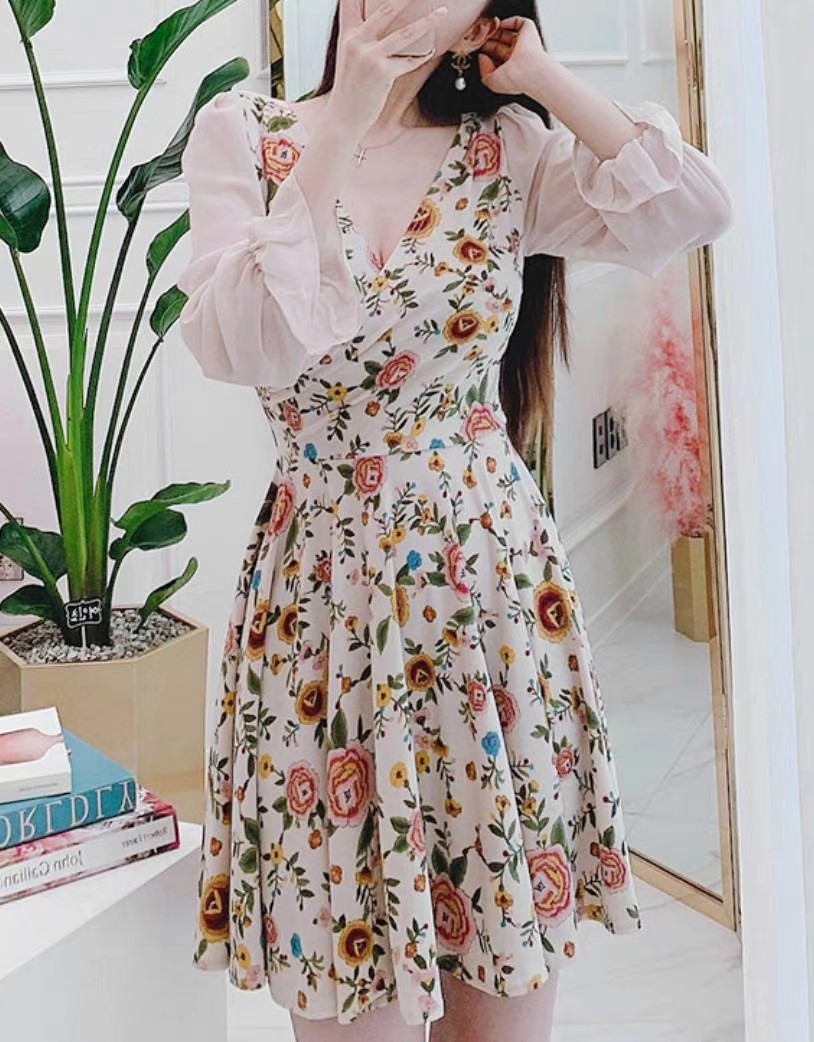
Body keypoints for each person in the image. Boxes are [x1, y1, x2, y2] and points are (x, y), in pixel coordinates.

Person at [177, 1, 734, 1040]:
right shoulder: (244, 136)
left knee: (502, 986)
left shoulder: (509, 147)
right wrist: (343, 119)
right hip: (324, 613)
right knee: (349, 983)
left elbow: (693, 211)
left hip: (489, 604)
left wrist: (545, 79)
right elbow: (238, 343)